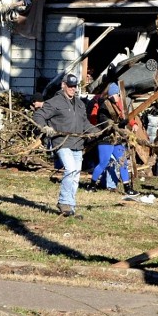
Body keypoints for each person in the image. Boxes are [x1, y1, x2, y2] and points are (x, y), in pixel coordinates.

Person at [32, 73, 98, 216]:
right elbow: (38, 115)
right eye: (70, 86)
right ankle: (63, 202)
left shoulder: (80, 104)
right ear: (63, 85)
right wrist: (45, 127)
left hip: (78, 143)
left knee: (76, 175)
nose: (72, 89)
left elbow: (84, 123)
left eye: (75, 86)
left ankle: (71, 207)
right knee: (70, 169)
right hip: (62, 142)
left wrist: (97, 131)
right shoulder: (54, 102)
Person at [87, 83, 138, 196]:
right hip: (106, 139)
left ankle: (127, 188)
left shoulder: (116, 105)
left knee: (123, 162)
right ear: (111, 95)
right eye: (117, 94)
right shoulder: (103, 108)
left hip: (117, 138)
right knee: (103, 163)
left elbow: (124, 116)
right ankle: (92, 185)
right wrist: (120, 124)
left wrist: (131, 123)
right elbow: (107, 125)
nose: (119, 96)